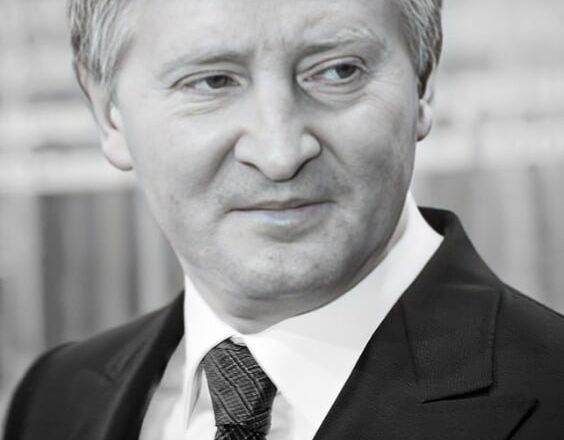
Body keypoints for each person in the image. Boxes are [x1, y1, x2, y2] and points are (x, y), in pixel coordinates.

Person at [4, 0, 564, 438]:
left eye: (337, 71)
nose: (280, 153)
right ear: (108, 114)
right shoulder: (53, 401)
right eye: (213, 81)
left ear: (423, 84)